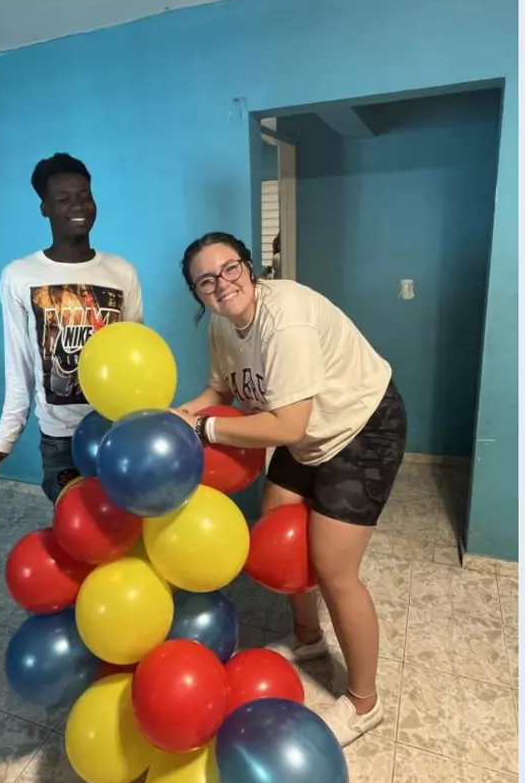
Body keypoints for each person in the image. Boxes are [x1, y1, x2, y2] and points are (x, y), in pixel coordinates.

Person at [172, 232, 404, 747]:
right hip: (308, 428)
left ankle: (365, 704)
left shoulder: (286, 316)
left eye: (230, 269)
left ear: (249, 268)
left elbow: (288, 428)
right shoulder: (222, 325)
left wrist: (205, 430)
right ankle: (307, 639)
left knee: (334, 567)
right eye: (206, 280)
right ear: (198, 293)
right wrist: (179, 415)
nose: (221, 284)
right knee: (274, 519)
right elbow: (221, 390)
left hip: (362, 425)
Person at [0, 152, 143, 501]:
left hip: (118, 429)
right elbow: (19, 366)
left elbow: (138, 359)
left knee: (126, 526)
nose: (77, 206)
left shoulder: (122, 272)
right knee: (79, 532)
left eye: (85, 196)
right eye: (63, 199)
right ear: (45, 208)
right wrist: (3, 441)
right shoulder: (19, 276)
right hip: (61, 439)